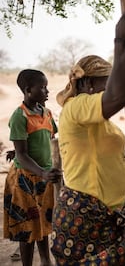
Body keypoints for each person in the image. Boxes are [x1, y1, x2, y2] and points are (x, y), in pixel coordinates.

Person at [50, 4, 125, 265]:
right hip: (84, 217)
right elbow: (120, 96)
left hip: (104, 212)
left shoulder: (98, 119)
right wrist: (121, 41)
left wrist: (120, 197)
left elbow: (99, 163)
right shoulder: (76, 108)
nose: (110, 89)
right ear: (86, 83)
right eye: (105, 83)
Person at [4, 69, 62, 266]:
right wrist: (43, 172)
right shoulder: (19, 116)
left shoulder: (46, 113)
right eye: (43, 87)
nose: (47, 91)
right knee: (27, 228)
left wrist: (46, 171)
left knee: (42, 224)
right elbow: (22, 154)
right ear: (28, 90)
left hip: (43, 178)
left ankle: (45, 260)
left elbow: (49, 138)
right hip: (25, 179)